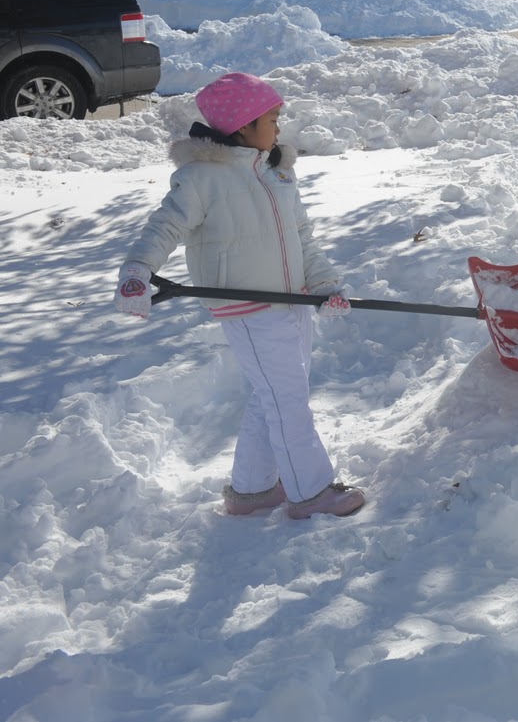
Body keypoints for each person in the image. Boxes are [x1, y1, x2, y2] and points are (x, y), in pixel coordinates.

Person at [114, 72, 367, 519]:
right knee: (286, 398)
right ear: (243, 125)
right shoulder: (201, 178)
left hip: (294, 300)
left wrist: (325, 284)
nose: (279, 127)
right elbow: (166, 225)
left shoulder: (276, 173)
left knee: (273, 393)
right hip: (248, 307)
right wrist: (137, 271)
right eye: (272, 118)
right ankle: (310, 491)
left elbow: (302, 236)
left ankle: (251, 491)